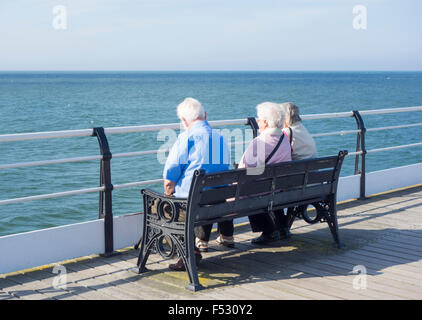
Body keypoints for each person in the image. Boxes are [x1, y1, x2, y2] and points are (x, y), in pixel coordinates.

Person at [162, 97, 231, 271]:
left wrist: (168, 194)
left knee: (165, 206)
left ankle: (189, 252)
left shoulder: (186, 138)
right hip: (217, 200)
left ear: (184, 120)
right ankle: (191, 248)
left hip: (194, 204)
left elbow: (170, 178)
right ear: (205, 115)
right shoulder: (220, 137)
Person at [237, 102, 292, 244]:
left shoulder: (259, 142)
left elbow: (243, 171)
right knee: (264, 185)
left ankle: (268, 231)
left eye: (259, 119)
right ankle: (282, 227)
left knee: (246, 189)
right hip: (279, 187)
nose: (257, 121)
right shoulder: (284, 138)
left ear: (266, 122)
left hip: (264, 189)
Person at [273, 102, 318, 238]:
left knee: (271, 189)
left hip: (299, 185)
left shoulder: (287, 132)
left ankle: (278, 228)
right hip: (315, 183)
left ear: (285, 118)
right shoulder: (303, 129)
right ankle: (283, 228)